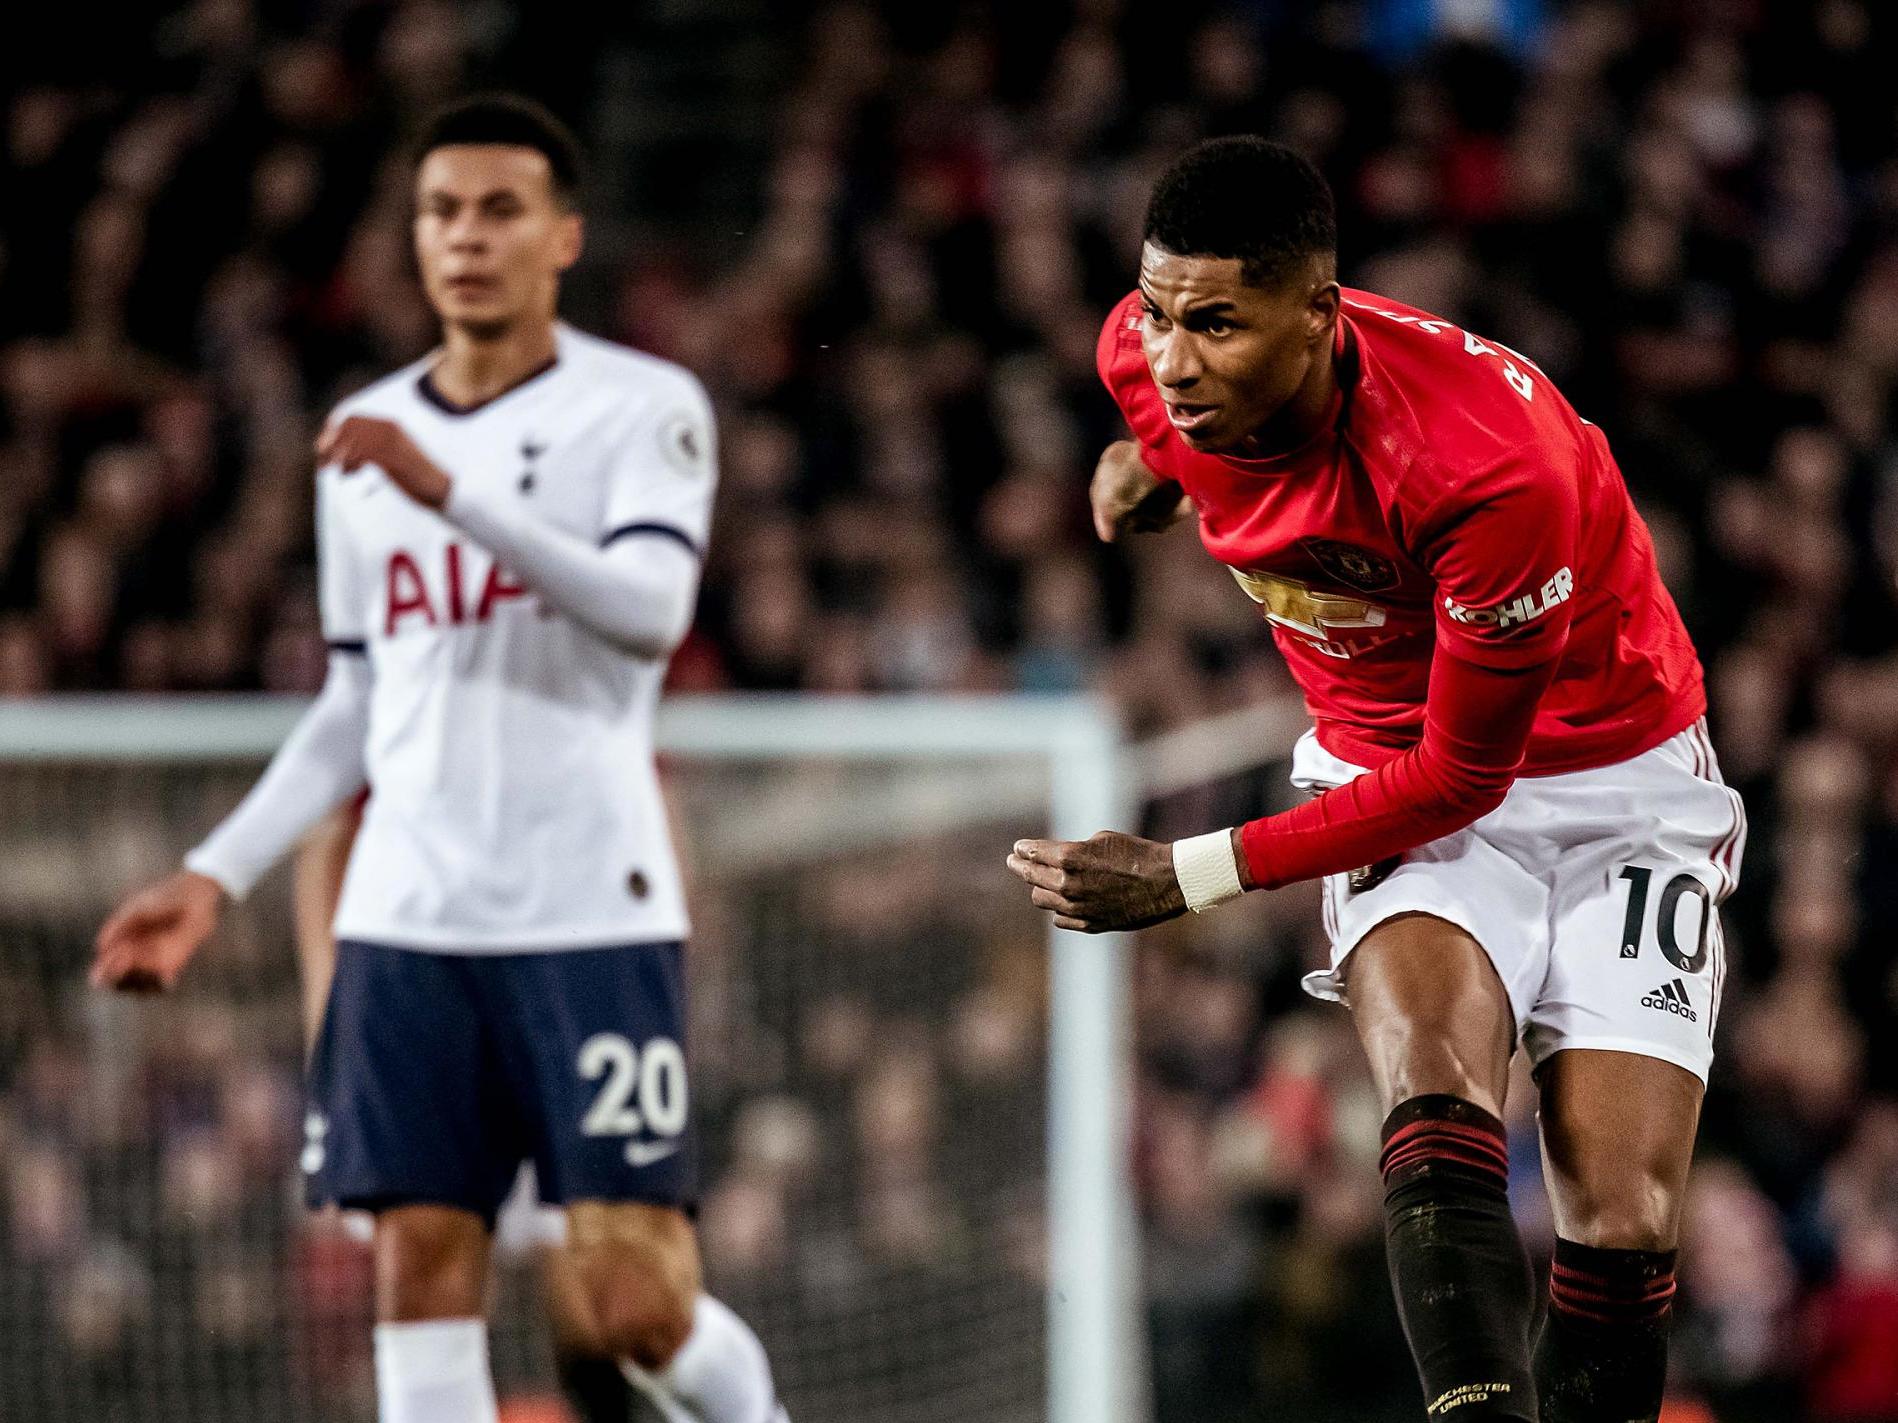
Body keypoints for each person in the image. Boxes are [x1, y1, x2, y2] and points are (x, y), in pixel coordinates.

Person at [1008, 137, 1746, 1423]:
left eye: (1218, 324)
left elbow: (1468, 775)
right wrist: (1153, 469)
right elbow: (1172, 412)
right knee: (1431, 1085)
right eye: (1162, 313)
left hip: (1610, 777)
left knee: (1619, 1222)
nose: (1175, 359)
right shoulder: (1146, 359)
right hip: (1380, 757)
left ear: (1319, 312)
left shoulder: (1485, 465)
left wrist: (1184, 874)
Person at [92, 93, 786, 1423]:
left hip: (590, 906)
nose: (466, 237)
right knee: (418, 1263)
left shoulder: (637, 407)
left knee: (632, 1302)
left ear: (563, 235)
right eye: (441, 211)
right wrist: (210, 872)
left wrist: (454, 492)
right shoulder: (363, 442)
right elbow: (357, 692)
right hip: (407, 913)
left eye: (499, 209)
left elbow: (650, 608)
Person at [294, 797, 651, 1423]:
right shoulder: (375, 804)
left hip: (532, 1066)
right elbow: (325, 884)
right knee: (434, 1294)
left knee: (601, 1291)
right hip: (424, 1086)